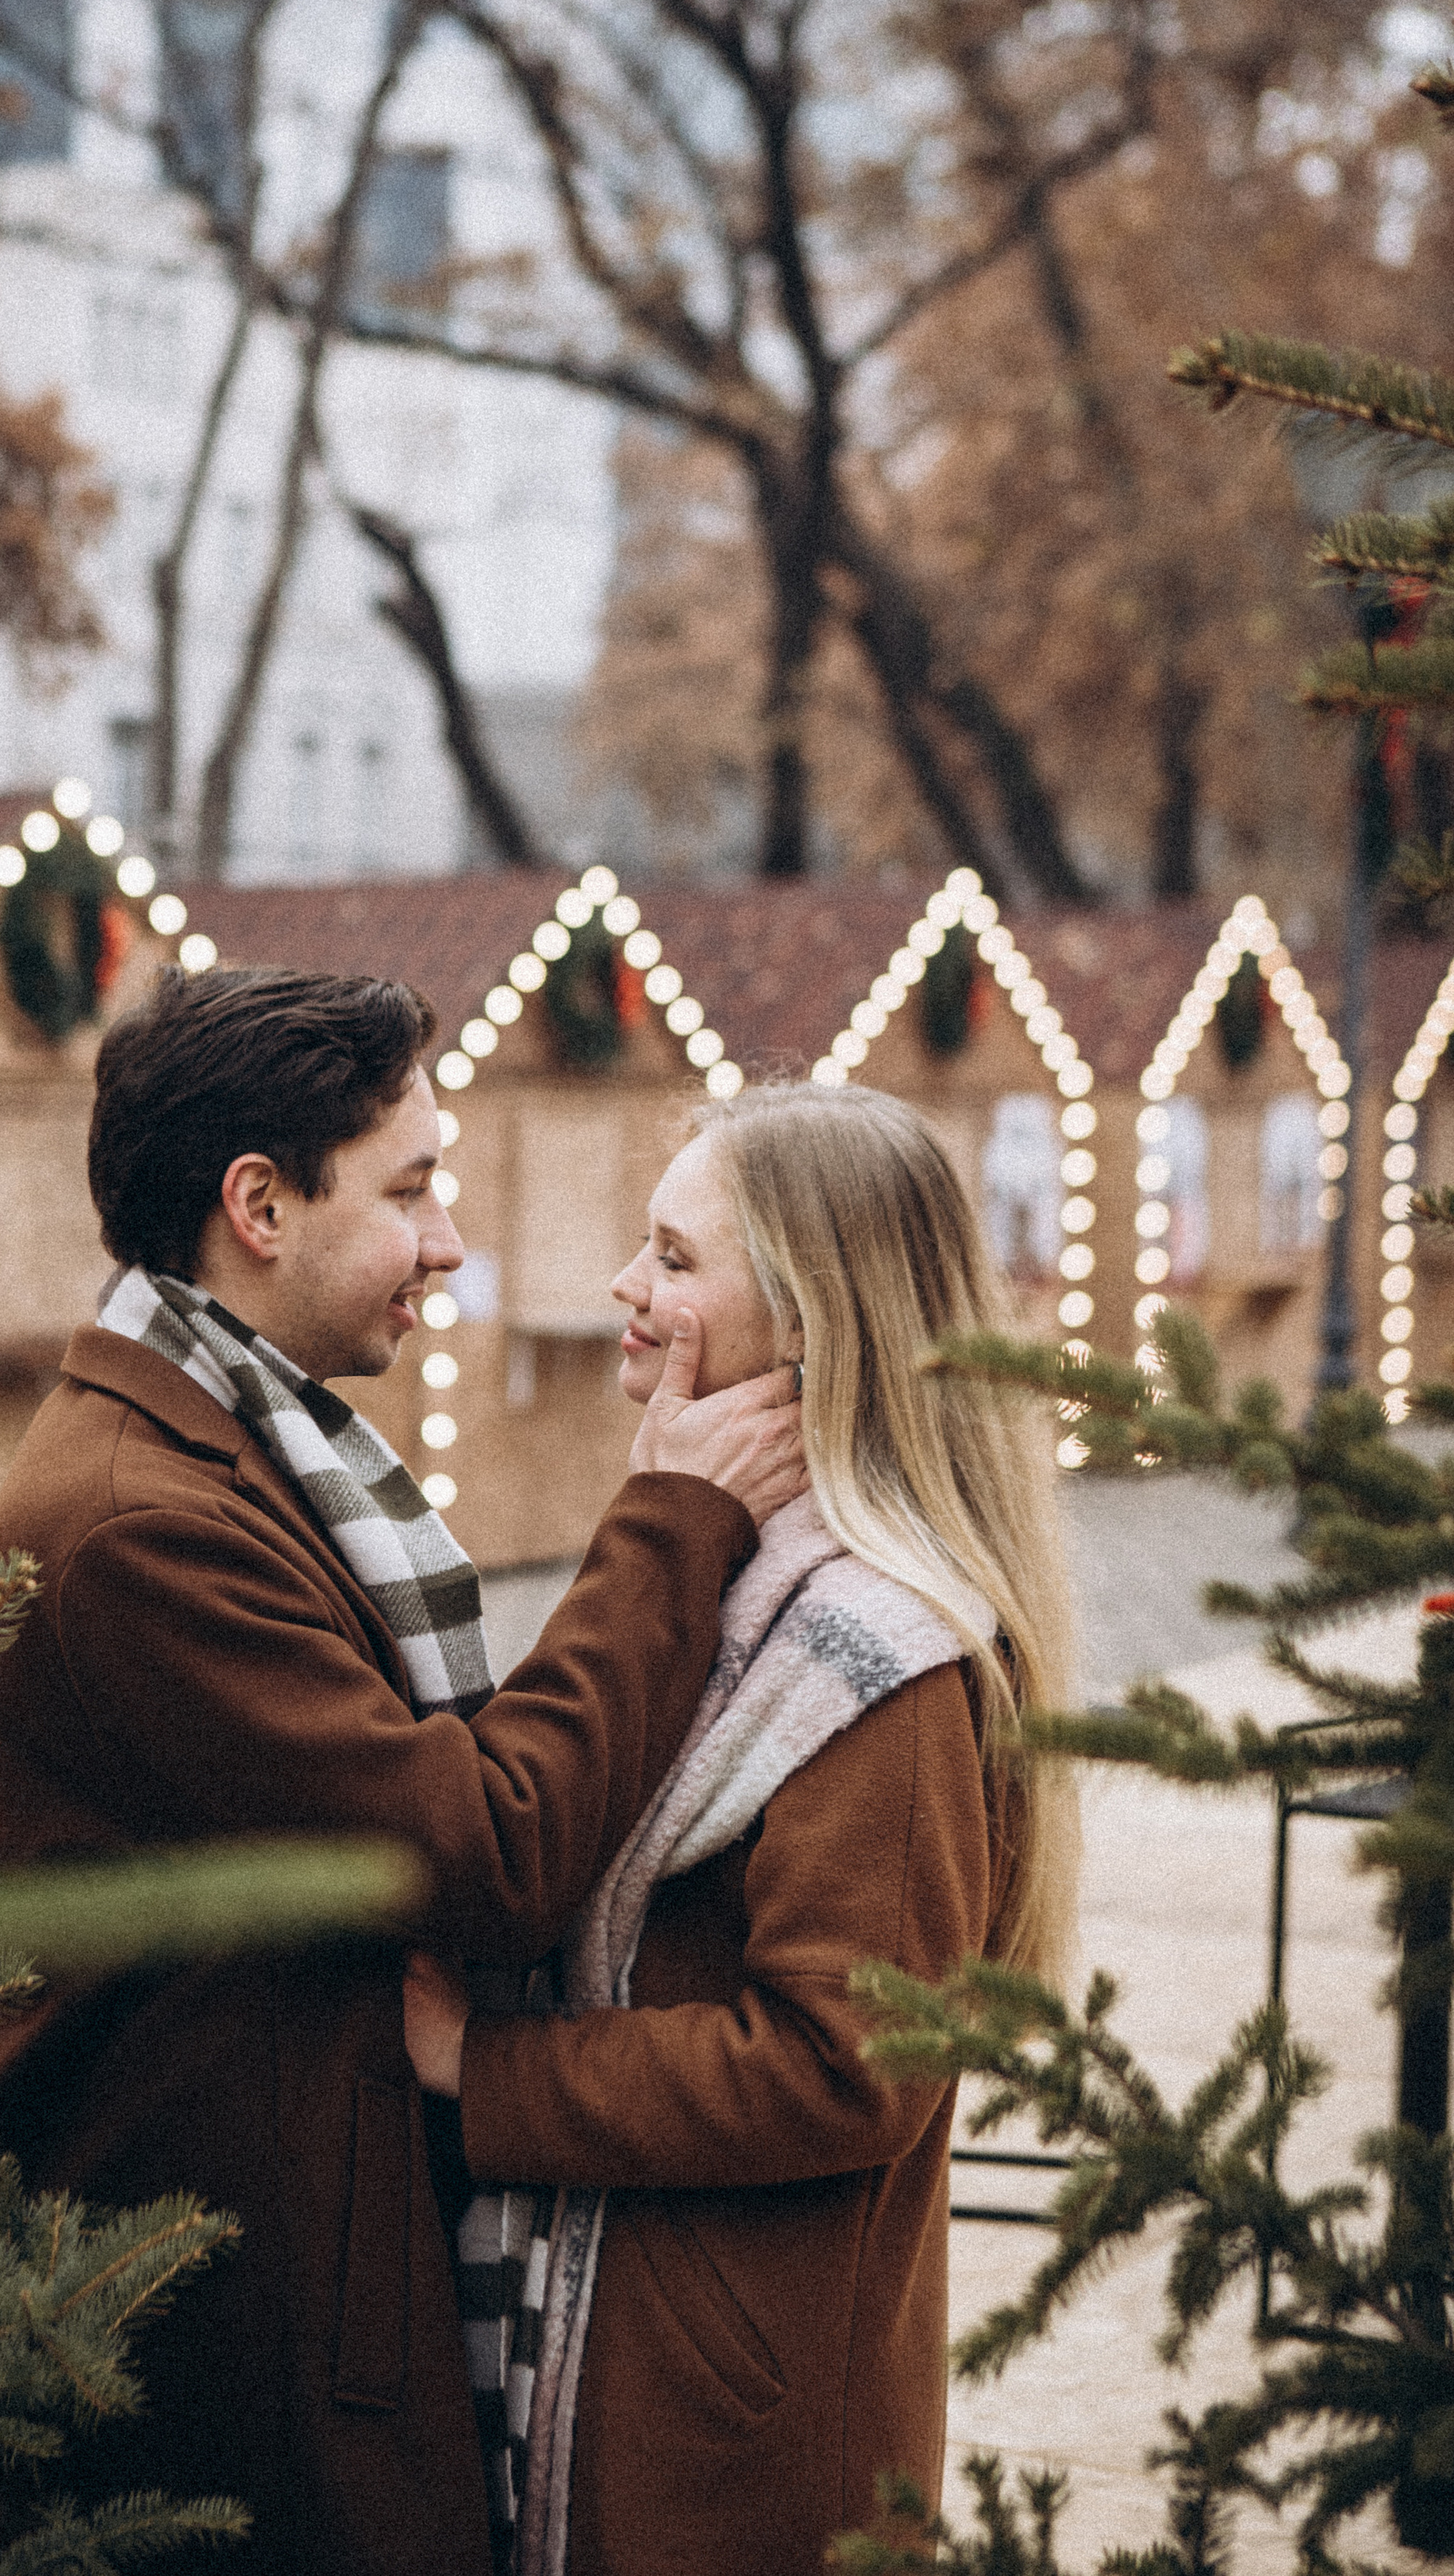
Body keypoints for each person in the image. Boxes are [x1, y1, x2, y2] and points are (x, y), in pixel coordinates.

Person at [0, 962, 807, 2576]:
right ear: (256, 1203)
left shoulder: (235, 1449)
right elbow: (477, 1844)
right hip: (195, 2373)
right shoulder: (147, 1523)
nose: (451, 1241)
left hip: (244, 2290)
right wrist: (675, 1524)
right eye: (411, 1189)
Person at [403, 1083, 1080, 2576]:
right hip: (639, 2348)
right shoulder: (733, 1573)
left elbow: (845, 2068)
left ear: (812, 1319)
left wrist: (489, 2069)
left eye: (674, 1257)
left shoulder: (878, 1655)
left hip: (732, 2426)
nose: (624, 1288)